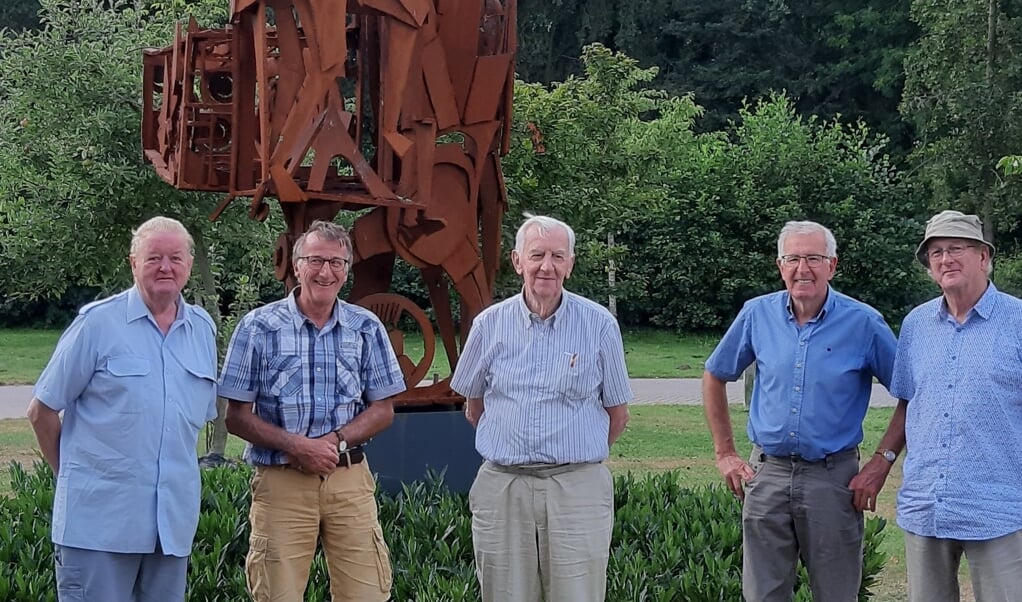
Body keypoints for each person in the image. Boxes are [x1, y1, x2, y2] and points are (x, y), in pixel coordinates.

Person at [702, 220, 899, 602]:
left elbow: (909, 394)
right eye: (793, 258)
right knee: (763, 595)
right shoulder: (756, 315)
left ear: (833, 265)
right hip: (767, 474)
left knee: (836, 594)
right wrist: (725, 453)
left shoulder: (864, 323)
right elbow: (714, 375)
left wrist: (882, 461)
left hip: (833, 479)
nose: (802, 269)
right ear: (780, 265)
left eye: (813, 258)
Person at [26, 216, 218, 602]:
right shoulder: (97, 324)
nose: (166, 267)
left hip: (171, 530)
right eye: (154, 258)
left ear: (190, 264)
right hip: (98, 526)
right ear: (133, 263)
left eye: (176, 258)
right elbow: (41, 411)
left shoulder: (203, 329)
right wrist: (73, 480)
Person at [218, 219, 405, 602]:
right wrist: (296, 445)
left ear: (347, 270)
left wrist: (334, 441)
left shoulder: (365, 327)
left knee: (367, 594)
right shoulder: (258, 327)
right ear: (297, 266)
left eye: (337, 263)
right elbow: (235, 416)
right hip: (281, 481)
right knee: (277, 595)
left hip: (349, 482)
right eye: (316, 260)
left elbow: (383, 409)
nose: (326, 272)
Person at [450, 214, 633, 602]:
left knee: (578, 594)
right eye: (536, 255)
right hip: (503, 486)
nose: (546, 266)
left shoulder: (599, 324)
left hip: (576, 487)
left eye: (556, 256)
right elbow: (474, 406)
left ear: (570, 263)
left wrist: (571, 453)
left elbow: (617, 415)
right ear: (517, 261)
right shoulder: (488, 325)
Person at [883, 210, 1022, 602]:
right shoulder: (916, 325)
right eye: (936, 252)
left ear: (983, 257)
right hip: (927, 504)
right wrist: (883, 460)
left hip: (999, 508)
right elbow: (908, 403)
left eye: (956, 248)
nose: (945, 259)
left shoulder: (1018, 321)